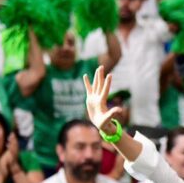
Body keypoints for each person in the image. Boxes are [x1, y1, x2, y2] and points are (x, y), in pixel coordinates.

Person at [20, 29, 121, 174]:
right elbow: (36, 71)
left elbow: (115, 54)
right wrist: (32, 30)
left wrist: (106, 23)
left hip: (83, 157)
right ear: (47, 48)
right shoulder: (41, 74)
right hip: (47, 158)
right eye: (59, 43)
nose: (66, 47)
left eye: (71, 43)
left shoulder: (87, 67)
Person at [107, 0, 171, 127]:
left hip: (148, 119)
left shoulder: (153, 29)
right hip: (110, 123)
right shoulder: (99, 35)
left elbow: (177, 26)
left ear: (141, 3)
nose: (125, 2)